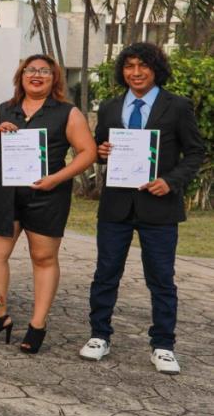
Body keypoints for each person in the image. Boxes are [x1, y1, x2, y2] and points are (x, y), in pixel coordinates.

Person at [79, 42, 205, 374]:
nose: (136, 72)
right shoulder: (109, 107)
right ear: (122, 71)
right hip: (116, 206)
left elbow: (195, 152)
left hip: (159, 207)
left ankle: (163, 345)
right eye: (129, 66)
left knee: (161, 279)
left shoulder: (177, 106)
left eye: (143, 66)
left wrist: (171, 180)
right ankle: (99, 336)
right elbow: (99, 147)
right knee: (105, 274)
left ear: (155, 69)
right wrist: (102, 151)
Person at [0, 54, 96, 353]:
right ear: (21, 76)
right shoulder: (5, 109)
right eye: (31, 70)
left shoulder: (68, 113)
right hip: (4, 192)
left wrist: (57, 178)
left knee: (43, 258)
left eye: (45, 71)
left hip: (47, 194)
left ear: (54, 78)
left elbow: (87, 152)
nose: (37, 75)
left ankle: (37, 325)